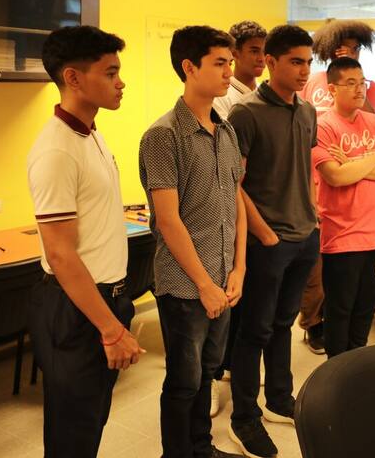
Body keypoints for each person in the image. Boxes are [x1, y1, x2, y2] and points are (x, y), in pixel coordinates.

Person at [28, 25, 144, 457]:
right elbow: (60, 253)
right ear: (73, 78)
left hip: (104, 299)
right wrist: (111, 330)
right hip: (76, 308)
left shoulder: (90, 133)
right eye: (110, 72)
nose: (121, 82)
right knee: (72, 434)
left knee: (91, 420)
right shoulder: (57, 149)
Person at [138, 25, 246, 458]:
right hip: (187, 286)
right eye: (219, 63)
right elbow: (168, 221)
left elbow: (235, 203)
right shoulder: (163, 136)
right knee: (183, 382)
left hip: (223, 280)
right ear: (189, 67)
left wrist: (239, 269)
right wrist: (204, 284)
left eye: (229, 63)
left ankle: (202, 448)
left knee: (207, 373)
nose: (228, 72)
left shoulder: (225, 130)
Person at [227, 24, 320, 458]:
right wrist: (263, 232)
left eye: (309, 61)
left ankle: (279, 399)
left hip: (305, 236)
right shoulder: (244, 113)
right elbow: (231, 182)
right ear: (270, 62)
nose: (305, 71)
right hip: (268, 242)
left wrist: (313, 218)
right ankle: (243, 418)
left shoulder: (307, 111)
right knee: (254, 331)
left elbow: (303, 170)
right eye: (296, 61)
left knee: (283, 324)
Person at [298, 19, 375, 354]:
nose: (349, 50)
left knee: (348, 291)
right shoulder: (312, 81)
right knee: (315, 276)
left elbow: (374, 131)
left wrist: (354, 87)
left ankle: (336, 338)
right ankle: (313, 324)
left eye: (356, 47)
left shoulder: (367, 87)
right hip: (315, 184)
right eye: (342, 46)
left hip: (355, 190)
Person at [312, 57, 375, 358]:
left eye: (361, 82)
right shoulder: (322, 126)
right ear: (332, 88)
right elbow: (335, 177)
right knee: (339, 312)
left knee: (365, 311)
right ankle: (335, 372)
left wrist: (352, 162)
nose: (358, 89)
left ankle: (355, 370)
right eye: (350, 83)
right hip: (341, 238)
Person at [210, 19, 267, 418]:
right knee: (221, 308)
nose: (260, 59)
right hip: (230, 210)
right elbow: (231, 173)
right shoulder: (223, 97)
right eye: (253, 51)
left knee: (242, 304)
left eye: (265, 51)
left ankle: (230, 369)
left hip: (251, 210)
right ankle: (214, 377)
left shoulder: (258, 94)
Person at [212, 20, 267, 120]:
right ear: (235, 53)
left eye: (264, 52)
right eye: (254, 51)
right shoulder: (219, 97)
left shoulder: (266, 94)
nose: (262, 58)